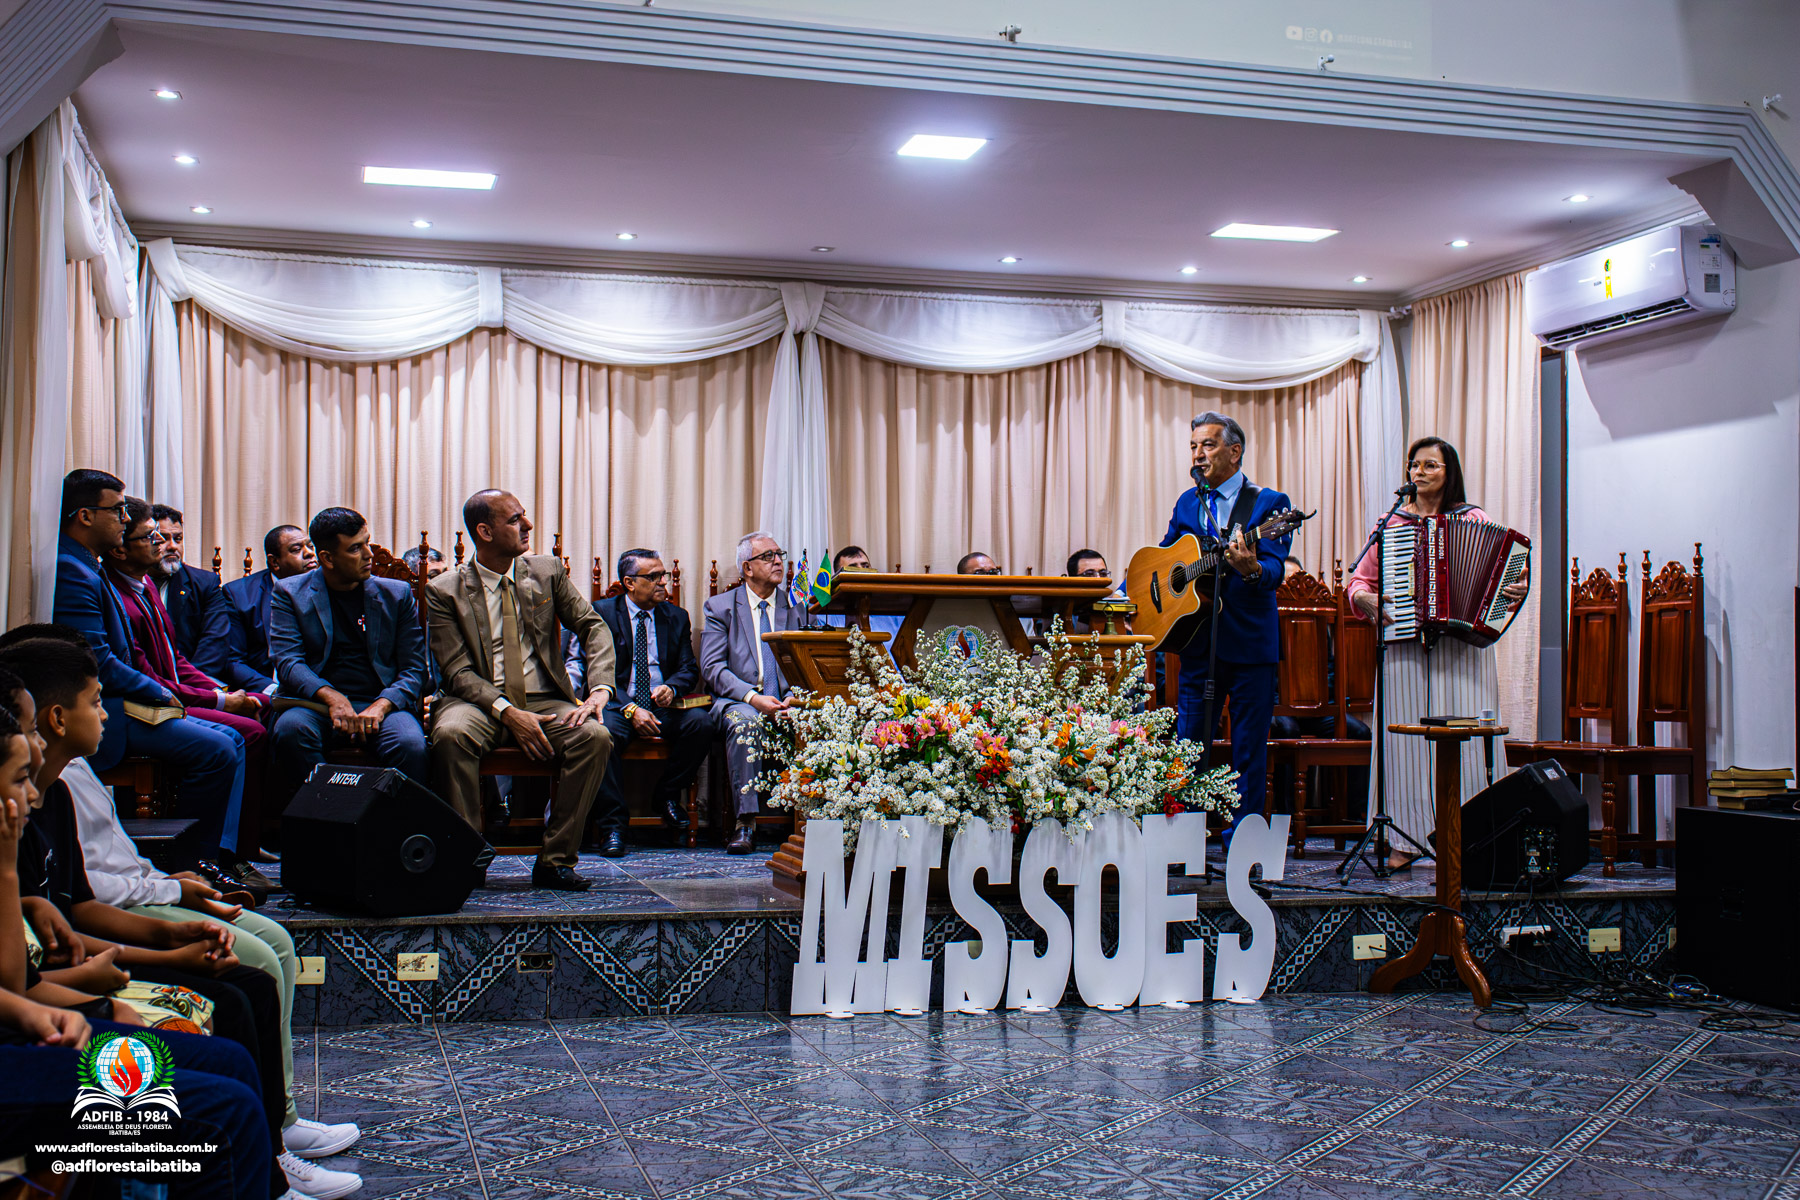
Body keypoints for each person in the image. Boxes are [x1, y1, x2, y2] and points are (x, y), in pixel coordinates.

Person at [0, 633, 361, 1197]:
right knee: (225, 1094)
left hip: (55, 997)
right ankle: (266, 1165)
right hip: (33, 1034)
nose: (36, 764)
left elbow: (66, 920)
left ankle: (274, 1150)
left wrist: (167, 935)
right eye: (21, 766)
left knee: (240, 1023)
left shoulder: (49, 804)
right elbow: (24, 979)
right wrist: (99, 987)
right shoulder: (21, 828)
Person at [53, 470, 249, 878]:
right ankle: (189, 863)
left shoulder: (87, 564)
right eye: (117, 510)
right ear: (85, 516)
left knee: (232, 737)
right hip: (109, 710)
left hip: (127, 699)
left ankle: (211, 857)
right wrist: (159, 692)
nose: (125, 519)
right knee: (218, 749)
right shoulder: (71, 569)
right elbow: (97, 662)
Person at [1347, 436, 1528, 868]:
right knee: (1405, 745)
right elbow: (1358, 581)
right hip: (1405, 643)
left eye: (1431, 465)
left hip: (1464, 649)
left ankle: (1471, 841)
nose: (1420, 472)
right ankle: (1404, 841)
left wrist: (1514, 589)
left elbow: (1508, 574)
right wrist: (1364, 599)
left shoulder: (1474, 519)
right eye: (1414, 464)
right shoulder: (1391, 523)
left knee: (1466, 745)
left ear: (1450, 473)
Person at [428, 490, 614, 881]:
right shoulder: (444, 590)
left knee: (594, 736)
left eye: (524, 516)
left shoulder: (547, 571)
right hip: (477, 702)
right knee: (450, 734)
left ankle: (556, 860)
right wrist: (509, 713)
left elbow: (592, 626)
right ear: (485, 532)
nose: (528, 525)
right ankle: (467, 861)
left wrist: (600, 688)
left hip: (544, 698)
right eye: (515, 520)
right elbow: (457, 671)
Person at [105, 500, 273, 884]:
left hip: (177, 692)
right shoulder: (117, 592)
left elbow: (180, 658)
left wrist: (219, 691)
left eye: (172, 538)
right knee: (238, 736)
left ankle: (233, 849)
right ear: (120, 549)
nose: (165, 545)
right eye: (153, 537)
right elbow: (144, 674)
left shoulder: (146, 584)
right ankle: (201, 856)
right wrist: (219, 699)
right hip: (146, 704)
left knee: (259, 716)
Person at [1156, 412, 1293, 846]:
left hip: (1251, 644)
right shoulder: (1188, 502)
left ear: (1235, 452)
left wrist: (1253, 570)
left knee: (1248, 748)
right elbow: (1165, 557)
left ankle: (1243, 842)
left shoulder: (1269, 504)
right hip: (1198, 642)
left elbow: (1273, 569)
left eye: (1208, 445)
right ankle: (1183, 840)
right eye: (1193, 446)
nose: (1198, 454)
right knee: (1188, 745)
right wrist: (1133, 594)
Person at [269, 508, 431, 790]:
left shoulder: (397, 594)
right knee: (290, 731)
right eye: (356, 548)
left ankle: (384, 817)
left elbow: (415, 668)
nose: (369, 554)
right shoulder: (289, 592)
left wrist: (382, 705)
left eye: (367, 542)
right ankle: (326, 811)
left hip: (383, 702)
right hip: (316, 705)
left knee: (410, 744)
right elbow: (288, 662)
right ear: (327, 558)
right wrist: (332, 697)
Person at [580, 548, 712, 839]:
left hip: (661, 705)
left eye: (663, 575)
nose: (663, 582)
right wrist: (631, 709)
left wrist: (671, 687)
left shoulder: (676, 616)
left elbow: (688, 669)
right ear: (629, 583)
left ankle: (666, 796)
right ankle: (612, 825)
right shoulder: (602, 613)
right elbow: (596, 671)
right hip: (618, 704)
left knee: (701, 724)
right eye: (653, 577)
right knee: (601, 735)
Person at [701, 532, 806, 854]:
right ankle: (745, 822)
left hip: (788, 701)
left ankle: (812, 820)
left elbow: (808, 663)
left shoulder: (798, 607)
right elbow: (712, 667)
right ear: (747, 568)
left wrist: (796, 698)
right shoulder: (721, 607)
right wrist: (753, 698)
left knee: (822, 719)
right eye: (768, 556)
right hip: (741, 700)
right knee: (746, 723)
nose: (778, 562)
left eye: (779, 554)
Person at [223, 525, 317, 696]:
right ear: (274, 562)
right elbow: (233, 661)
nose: (309, 553)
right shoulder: (239, 595)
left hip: (319, 689)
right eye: (296, 549)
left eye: (310, 546)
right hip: (266, 692)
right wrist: (273, 691)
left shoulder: (328, 587)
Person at [151, 504, 234, 680]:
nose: (173, 546)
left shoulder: (205, 583)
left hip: (194, 682)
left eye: (178, 539)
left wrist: (190, 687)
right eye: (163, 539)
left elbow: (214, 644)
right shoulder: (131, 582)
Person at [813, 546, 904, 660]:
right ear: (837, 577)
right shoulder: (826, 612)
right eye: (852, 568)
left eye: (866, 566)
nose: (862, 572)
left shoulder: (892, 607)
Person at [1065, 548, 1125, 634]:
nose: (1098, 579)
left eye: (1103, 574)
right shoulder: (1062, 612)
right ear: (1072, 579)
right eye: (1089, 574)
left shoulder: (1115, 611)